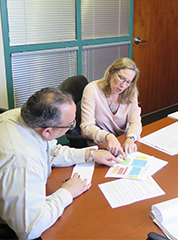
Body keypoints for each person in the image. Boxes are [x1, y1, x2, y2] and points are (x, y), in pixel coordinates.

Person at [0, 88, 120, 240]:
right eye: (70, 125)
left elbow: (51, 150)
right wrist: (67, 192)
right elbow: (29, 229)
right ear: (48, 131)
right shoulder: (23, 163)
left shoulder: (21, 116)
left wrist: (89, 154)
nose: (72, 127)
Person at [81, 57, 142, 160]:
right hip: (102, 144)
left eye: (128, 82)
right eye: (121, 78)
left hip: (123, 141)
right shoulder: (92, 89)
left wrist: (131, 138)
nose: (123, 85)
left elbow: (135, 122)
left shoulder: (131, 92)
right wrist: (108, 136)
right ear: (111, 71)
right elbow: (86, 127)